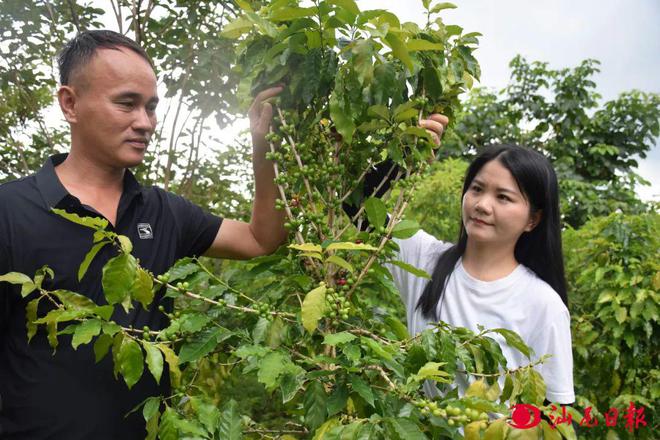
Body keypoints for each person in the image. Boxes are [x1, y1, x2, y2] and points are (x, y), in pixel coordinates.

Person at [0, 30, 287, 439]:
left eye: (151, 107)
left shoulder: (163, 211)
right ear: (70, 103)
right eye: (127, 103)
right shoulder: (9, 212)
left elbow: (261, 239)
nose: (145, 122)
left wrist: (263, 144)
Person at [386, 144, 575, 404]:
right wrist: (406, 152)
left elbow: (556, 413)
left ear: (533, 219)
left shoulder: (543, 305)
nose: (482, 205)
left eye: (503, 197)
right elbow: (357, 205)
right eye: (476, 189)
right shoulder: (424, 260)